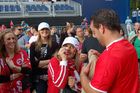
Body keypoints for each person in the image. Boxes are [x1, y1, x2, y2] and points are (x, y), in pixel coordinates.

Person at [80, 9, 139, 93]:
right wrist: (101, 58)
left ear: (101, 28)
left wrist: (82, 76)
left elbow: (95, 92)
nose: (94, 36)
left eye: (94, 32)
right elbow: (120, 69)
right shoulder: (128, 45)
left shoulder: (109, 57)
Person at [30, 22, 59, 93]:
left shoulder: (55, 44)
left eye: (46, 29)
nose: (44, 31)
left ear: (49, 31)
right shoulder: (33, 45)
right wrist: (51, 60)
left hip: (52, 76)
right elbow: (32, 63)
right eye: (42, 29)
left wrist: (39, 63)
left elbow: (58, 61)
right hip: (39, 77)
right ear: (39, 31)